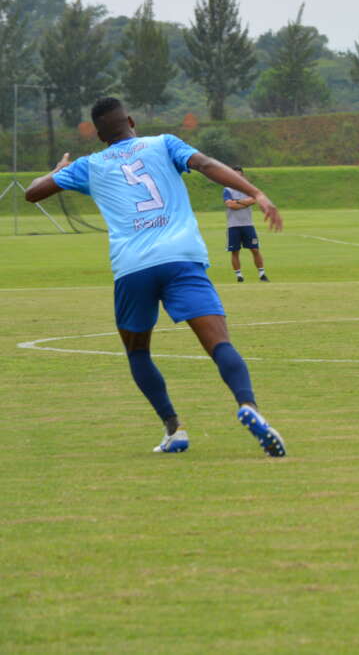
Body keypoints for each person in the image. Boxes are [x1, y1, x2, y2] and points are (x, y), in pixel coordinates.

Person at [24, 97, 286, 457]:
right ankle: (248, 406)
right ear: (131, 120)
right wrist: (257, 193)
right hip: (181, 259)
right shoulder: (164, 143)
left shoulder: (90, 165)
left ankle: (173, 428)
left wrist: (56, 171)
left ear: (100, 136)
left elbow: (32, 192)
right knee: (219, 343)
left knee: (137, 351)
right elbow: (206, 164)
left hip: (133, 268)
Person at [223, 165, 269, 282]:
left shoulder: (248, 188)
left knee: (255, 249)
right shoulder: (227, 189)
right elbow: (230, 205)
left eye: (239, 175)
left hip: (248, 224)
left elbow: (254, 200)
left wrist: (237, 201)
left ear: (242, 175)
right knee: (235, 251)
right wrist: (245, 203)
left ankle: (262, 274)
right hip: (233, 225)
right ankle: (239, 276)